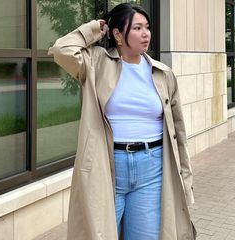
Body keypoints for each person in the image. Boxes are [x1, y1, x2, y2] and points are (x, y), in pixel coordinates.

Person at [49, 3, 196, 240]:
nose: (145, 33)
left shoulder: (162, 73)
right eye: (137, 27)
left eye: (147, 27)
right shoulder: (96, 62)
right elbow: (61, 49)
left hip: (152, 168)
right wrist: (97, 28)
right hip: (107, 167)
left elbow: (178, 131)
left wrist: (186, 174)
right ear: (118, 34)